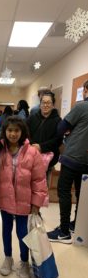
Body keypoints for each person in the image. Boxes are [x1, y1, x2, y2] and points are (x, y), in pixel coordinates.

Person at [0, 116, 47, 278]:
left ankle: (24, 261)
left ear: (22, 132)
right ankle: (8, 258)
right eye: (9, 130)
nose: (13, 134)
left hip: (24, 201)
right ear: (4, 131)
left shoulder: (32, 152)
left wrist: (36, 202)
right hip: (4, 199)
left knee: (23, 233)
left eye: (16, 130)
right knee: (6, 230)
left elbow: (39, 180)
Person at [47, 80, 88, 244]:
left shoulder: (81, 107)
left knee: (64, 191)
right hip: (86, 161)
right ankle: (75, 225)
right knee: (81, 194)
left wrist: (71, 130)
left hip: (73, 157)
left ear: (85, 90)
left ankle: (64, 232)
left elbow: (61, 128)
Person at [26, 91, 62, 184]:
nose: (45, 105)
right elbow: (26, 133)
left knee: (43, 185)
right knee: (29, 183)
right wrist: (33, 145)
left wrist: (41, 147)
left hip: (48, 160)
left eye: (48, 103)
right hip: (32, 156)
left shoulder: (58, 120)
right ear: (40, 104)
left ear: (53, 105)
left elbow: (58, 140)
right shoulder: (32, 117)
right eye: (43, 102)